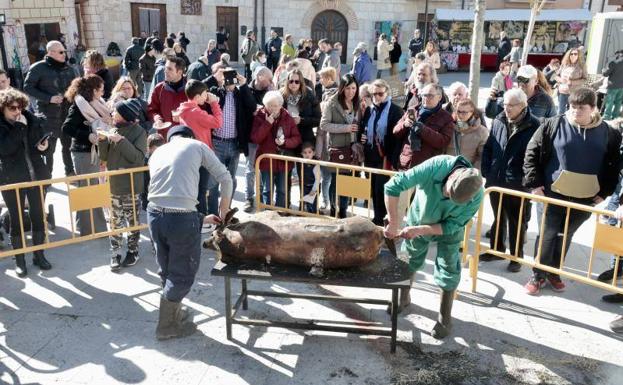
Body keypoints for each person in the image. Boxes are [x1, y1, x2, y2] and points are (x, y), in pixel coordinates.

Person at [523, 88, 622, 295]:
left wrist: (604, 192)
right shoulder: (554, 124)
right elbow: (532, 151)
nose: (575, 111)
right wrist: (534, 183)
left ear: (593, 108)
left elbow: (613, 165)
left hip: (585, 199)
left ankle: (554, 273)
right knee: (547, 235)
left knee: (565, 235)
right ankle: (538, 274)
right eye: (573, 106)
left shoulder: (609, 133)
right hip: (552, 194)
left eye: (581, 108)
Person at [384, 155, 484, 338]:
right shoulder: (435, 166)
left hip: (449, 231)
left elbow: (453, 225)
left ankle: (445, 317)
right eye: (447, 193)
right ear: (452, 176)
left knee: (449, 267)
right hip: (420, 216)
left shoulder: (477, 194)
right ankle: (403, 298)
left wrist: (421, 230)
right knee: (409, 257)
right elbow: (394, 185)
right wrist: (393, 221)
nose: (447, 198)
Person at [149, 124, 232, 340]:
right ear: (189, 136)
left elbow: (168, 195)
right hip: (180, 218)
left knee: (166, 267)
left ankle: (173, 314)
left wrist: (199, 218)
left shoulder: (158, 152)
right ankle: (166, 326)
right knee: (182, 272)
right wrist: (224, 214)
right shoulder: (197, 145)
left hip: (154, 216)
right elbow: (226, 178)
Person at [479, 89, 540, 272]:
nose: (507, 109)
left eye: (511, 105)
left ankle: (516, 256)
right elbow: (490, 146)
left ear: (523, 105)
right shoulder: (499, 120)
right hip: (496, 179)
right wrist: (487, 171)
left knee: (517, 221)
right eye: (504, 104)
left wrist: (526, 179)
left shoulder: (534, 125)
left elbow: (537, 156)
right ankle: (497, 249)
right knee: (498, 217)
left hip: (517, 184)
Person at [0, 88, 52, 277]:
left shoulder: (30, 119)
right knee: (17, 219)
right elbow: (4, 149)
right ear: (3, 108)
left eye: (20, 107)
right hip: (11, 178)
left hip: (35, 175)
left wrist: (45, 147)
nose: (17, 112)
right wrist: (19, 127)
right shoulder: (6, 125)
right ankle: (19, 260)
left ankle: (39, 255)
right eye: (12, 108)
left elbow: (43, 143)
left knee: (38, 216)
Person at [98, 98, 147, 271]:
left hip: (132, 186)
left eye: (116, 111)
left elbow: (138, 158)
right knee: (115, 222)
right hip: (114, 186)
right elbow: (103, 158)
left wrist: (120, 140)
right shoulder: (112, 129)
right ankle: (115, 253)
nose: (112, 113)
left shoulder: (139, 132)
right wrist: (102, 141)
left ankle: (133, 251)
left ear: (124, 115)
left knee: (132, 220)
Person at [61, 75, 110, 236]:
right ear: (93, 90)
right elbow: (67, 128)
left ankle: (91, 228)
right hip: (83, 152)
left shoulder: (95, 103)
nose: (103, 93)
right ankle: (89, 229)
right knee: (88, 190)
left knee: (91, 190)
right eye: (101, 90)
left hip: (92, 152)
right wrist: (87, 135)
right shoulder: (79, 104)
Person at [206, 69, 256, 215]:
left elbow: (252, 105)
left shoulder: (240, 94)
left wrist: (244, 85)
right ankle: (213, 213)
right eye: (227, 78)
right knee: (214, 180)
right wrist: (214, 78)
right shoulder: (216, 92)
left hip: (234, 144)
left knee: (230, 180)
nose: (229, 82)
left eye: (232, 78)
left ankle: (226, 211)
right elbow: (199, 87)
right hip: (217, 143)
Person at [24, 40, 78, 177]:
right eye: (61, 52)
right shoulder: (38, 68)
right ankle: (46, 176)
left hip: (67, 114)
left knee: (67, 146)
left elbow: (76, 88)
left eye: (64, 51)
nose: (64, 54)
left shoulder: (70, 68)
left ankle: (69, 172)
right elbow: (28, 87)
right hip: (47, 116)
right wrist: (49, 98)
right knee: (48, 148)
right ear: (51, 52)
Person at [359, 79, 402, 225]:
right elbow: (363, 127)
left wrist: (394, 159)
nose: (376, 97)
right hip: (370, 154)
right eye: (373, 94)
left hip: (385, 156)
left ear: (387, 93)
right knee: (372, 188)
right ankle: (378, 217)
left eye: (380, 93)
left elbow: (398, 137)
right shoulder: (370, 110)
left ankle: (381, 220)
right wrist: (363, 136)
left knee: (381, 189)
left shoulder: (395, 110)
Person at [318, 74, 360, 218]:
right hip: (337, 149)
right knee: (336, 181)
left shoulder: (358, 102)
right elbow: (324, 124)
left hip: (353, 149)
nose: (351, 91)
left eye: (354, 88)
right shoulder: (332, 102)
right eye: (348, 88)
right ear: (342, 88)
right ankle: (334, 210)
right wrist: (345, 128)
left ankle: (343, 210)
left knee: (347, 181)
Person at [251, 90, 302, 208]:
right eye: (269, 106)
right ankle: (267, 215)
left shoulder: (287, 117)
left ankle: (280, 214)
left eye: (275, 106)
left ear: (280, 105)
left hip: (283, 160)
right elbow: (255, 138)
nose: (272, 109)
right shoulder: (259, 116)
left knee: (282, 190)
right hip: (266, 160)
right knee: (267, 190)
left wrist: (285, 142)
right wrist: (267, 124)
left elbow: (297, 138)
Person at [391, 83, 454, 172]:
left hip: (428, 167)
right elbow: (395, 132)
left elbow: (443, 142)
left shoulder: (446, 117)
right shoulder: (412, 110)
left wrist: (423, 129)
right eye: (424, 95)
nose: (425, 98)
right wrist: (404, 125)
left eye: (430, 96)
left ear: (439, 97)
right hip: (406, 163)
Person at [244, 66, 274, 213]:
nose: (271, 81)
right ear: (260, 77)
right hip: (251, 135)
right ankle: (249, 198)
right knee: (250, 169)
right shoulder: (246, 90)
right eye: (269, 79)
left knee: (263, 168)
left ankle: (262, 198)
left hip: (266, 136)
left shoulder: (270, 90)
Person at [486, 65, 556, 120]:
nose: (521, 83)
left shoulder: (546, 100)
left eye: (525, 79)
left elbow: (553, 124)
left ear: (536, 81)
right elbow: (491, 115)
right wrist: (492, 101)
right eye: (519, 79)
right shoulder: (512, 96)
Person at [148, 57, 188, 138]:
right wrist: (157, 119)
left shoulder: (190, 89)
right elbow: (152, 109)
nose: (165, 71)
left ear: (179, 72)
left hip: (185, 136)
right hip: (165, 136)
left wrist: (184, 116)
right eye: (165, 68)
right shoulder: (159, 88)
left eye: (169, 69)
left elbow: (200, 111)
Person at [178, 79, 222, 149]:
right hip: (201, 151)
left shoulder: (183, 109)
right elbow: (218, 123)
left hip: (191, 149)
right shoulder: (197, 113)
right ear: (197, 97)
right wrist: (214, 103)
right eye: (205, 94)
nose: (206, 97)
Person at [446, 98, 488, 171]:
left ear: (472, 112)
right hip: (448, 170)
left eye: (464, 112)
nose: (461, 115)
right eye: (458, 111)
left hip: (468, 172)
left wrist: (472, 171)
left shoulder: (481, 131)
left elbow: (481, 157)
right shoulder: (449, 127)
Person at [281, 69, 320, 145]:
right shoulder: (281, 95)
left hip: (304, 137)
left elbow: (318, 120)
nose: (293, 84)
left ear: (301, 83)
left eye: (297, 82)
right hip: (287, 136)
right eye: (291, 81)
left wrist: (301, 120)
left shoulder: (309, 96)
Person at [555, 48, 587, 115]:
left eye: (575, 54)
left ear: (578, 55)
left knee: (572, 112)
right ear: (568, 55)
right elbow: (556, 76)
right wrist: (561, 80)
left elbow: (585, 79)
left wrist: (572, 82)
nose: (573, 55)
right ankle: (559, 124)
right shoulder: (564, 64)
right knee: (560, 111)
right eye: (571, 54)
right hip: (563, 91)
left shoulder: (582, 65)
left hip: (574, 93)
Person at [299, 141, 321, 213]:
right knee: (308, 204)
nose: (307, 154)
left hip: (313, 187)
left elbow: (318, 179)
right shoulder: (302, 162)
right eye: (305, 153)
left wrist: (314, 190)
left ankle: (315, 214)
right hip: (305, 186)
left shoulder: (315, 164)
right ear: (302, 154)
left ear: (313, 153)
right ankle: (310, 214)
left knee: (314, 205)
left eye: (309, 152)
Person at [602, 50, 623, 121]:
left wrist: (604, 69)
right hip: (621, 86)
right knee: (618, 102)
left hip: (613, 86)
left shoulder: (614, 63)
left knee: (609, 101)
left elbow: (605, 74)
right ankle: (615, 116)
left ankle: (607, 116)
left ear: (619, 54)